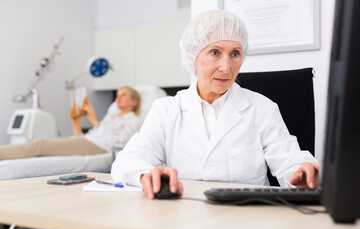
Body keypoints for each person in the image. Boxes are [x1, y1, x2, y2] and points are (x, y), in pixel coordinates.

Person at [111, 10, 319, 199]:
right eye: (215, 52)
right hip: (184, 218)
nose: (226, 67)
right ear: (193, 54)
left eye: (235, 53)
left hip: (249, 218)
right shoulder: (166, 110)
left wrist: (302, 174)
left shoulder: (262, 108)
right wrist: (148, 174)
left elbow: (290, 161)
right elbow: (126, 162)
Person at [0, 86, 141, 160]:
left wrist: (93, 120)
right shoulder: (112, 117)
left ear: (134, 102)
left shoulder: (134, 120)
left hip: (101, 147)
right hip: (89, 142)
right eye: (117, 95)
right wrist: (76, 124)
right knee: (41, 148)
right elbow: (86, 138)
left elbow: (118, 144)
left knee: (40, 145)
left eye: (124, 95)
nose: (118, 98)